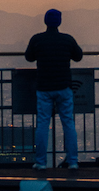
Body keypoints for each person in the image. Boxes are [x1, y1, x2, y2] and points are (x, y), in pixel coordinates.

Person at [24, 9, 83, 170]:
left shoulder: (37, 39)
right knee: (68, 124)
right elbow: (78, 56)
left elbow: (28, 57)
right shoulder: (67, 40)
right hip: (64, 86)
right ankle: (73, 161)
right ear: (60, 22)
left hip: (44, 87)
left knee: (43, 124)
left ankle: (41, 162)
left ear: (45, 21)